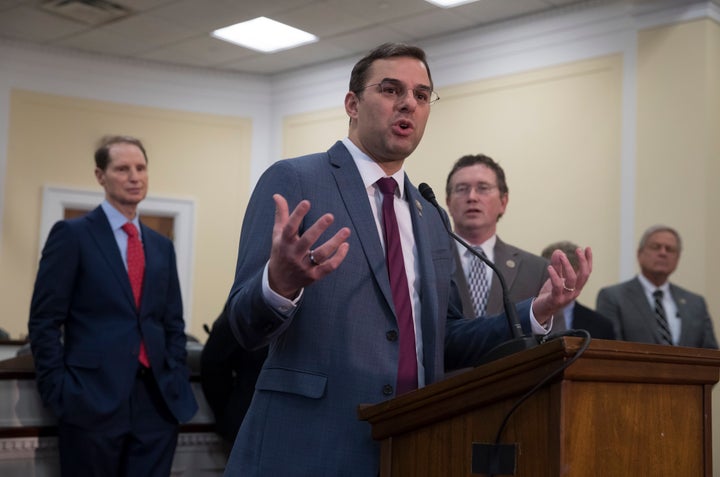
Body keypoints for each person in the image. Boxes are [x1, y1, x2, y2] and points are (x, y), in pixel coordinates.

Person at [223, 43, 592, 476]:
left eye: (421, 95)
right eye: (391, 89)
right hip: (310, 443)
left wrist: (537, 311)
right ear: (352, 104)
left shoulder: (429, 213)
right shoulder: (297, 178)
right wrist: (279, 284)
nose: (408, 104)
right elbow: (243, 326)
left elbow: (446, 337)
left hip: (413, 443)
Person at [28, 135, 198, 476]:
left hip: (156, 403)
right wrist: (57, 390)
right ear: (100, 176)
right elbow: (44, 320)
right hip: (90, 400)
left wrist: (175, 371)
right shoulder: (72, 235)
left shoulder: (161, 246)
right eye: (122, 168)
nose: (134, 176)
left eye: (141, 168)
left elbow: (172, 323)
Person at [445, 154, 548, 318]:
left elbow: (555, 339)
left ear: (503, 201)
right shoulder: (428, 261)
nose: (472, 197)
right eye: (462, 189)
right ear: (448, 203)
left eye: (483, 188)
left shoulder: (537, 270)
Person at [596, 225, 717, 348]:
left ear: (678, 258)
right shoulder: (613, 297)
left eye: (670, 249)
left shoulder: (696, 303)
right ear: (639, 254)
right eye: (656, 247)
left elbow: (711, 355)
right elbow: (611, 350)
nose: (663, 253)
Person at [200, 302, 267, 448]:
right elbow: (214, 362)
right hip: (247, 421)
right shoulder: (254, 295)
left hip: (249, 419)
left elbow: (214, 359)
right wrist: (228, 412)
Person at [541, 241, 615, 339]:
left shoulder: (601, 325)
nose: (557, 283)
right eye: (552, 274)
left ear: (581, 275)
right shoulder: (524, 317)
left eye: (566, 275)